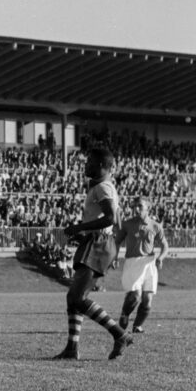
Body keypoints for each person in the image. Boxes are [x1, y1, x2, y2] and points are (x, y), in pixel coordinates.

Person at [55, 147, 131, 361]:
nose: (85, 165)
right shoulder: (103, 187)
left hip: (98, 243)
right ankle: (72, 348)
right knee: (74, 298)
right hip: (96, 242)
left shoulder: (103, 188)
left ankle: (119, 334)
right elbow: (116, 221)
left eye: (89, 162)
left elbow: (109, 219)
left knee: (77, 297)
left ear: (99, 165)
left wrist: (79, 228)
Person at [115, 196, 169, 334]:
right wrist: (114, 257)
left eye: (140, 206)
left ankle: (137, 326)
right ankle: (124, 314)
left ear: (147, 208)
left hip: (149, 263)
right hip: (133, 263)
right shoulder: (127, 224)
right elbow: (117, 242)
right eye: (135, 207)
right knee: (135, 296)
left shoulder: (155, 226)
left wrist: (161, 258)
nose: (136, 209)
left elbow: (165, 246)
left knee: (147, 300)